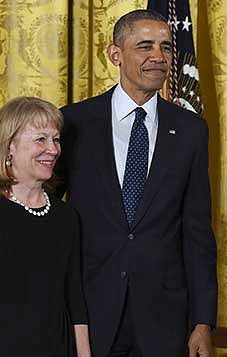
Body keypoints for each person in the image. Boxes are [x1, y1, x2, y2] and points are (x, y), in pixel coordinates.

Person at [56, 9, 217, 357]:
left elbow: (198, 231)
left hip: (164, 318)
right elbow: (50, 216)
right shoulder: (74, 122)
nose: (158, 57)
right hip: (90, 312)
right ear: (116, 54)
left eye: (166, 47)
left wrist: (202, 323)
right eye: (145, 46)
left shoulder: (190, 131)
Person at [0, 97, 91, 357]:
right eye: (41, 139)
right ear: (9, 147)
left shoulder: (66, 217)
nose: (53, 149)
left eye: (56, 139)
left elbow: (75, 302)